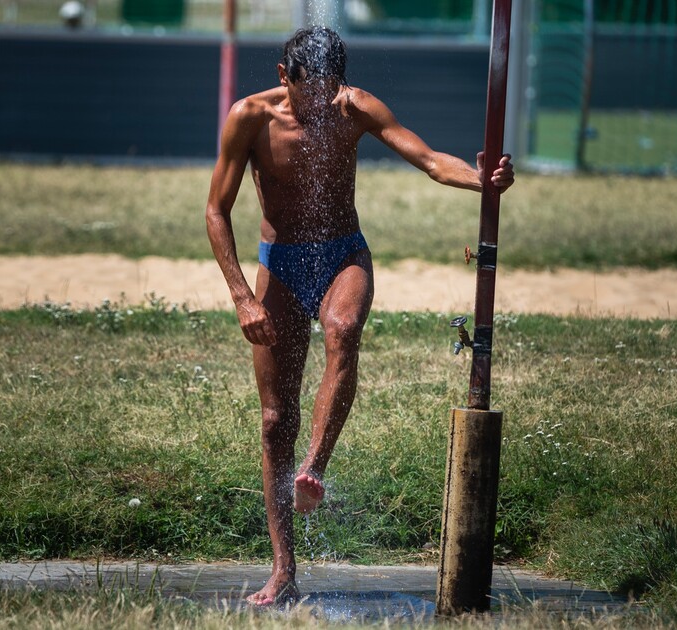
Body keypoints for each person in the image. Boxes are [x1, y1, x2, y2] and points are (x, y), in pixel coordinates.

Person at [204, 26, 515, 606]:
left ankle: (314, 470)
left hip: (343, 254)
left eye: (329, 92)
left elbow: (426, 159)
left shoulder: (355, 107)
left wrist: (481, 180)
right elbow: (216, 212)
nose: (319, 107)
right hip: (279, 263)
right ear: (282, 77)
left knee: (343, 330)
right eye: (306, 94)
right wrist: (244, 297)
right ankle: (283, 570)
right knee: (275, 420)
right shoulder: (248, 118)